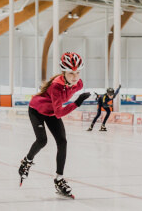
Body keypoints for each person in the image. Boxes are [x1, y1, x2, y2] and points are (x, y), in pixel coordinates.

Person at [18, 52, 90, 199]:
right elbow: (59, 113)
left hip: (51, 111)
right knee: (42, 140)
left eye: (77, 73)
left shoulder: (79, 84)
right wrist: (76, 103)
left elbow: (56, 111)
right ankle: (27, 161)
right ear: (64, 72)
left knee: (62, 142)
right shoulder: (56, 87)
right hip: (37, 110)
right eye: (71, 73)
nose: (75, 77)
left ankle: (59, 179)